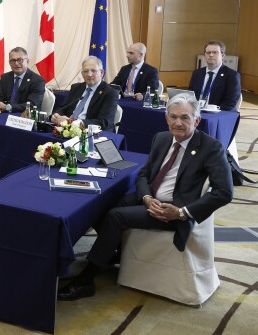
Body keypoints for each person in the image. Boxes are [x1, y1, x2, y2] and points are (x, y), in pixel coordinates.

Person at [57, 95, 233, 301]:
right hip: (151, 199)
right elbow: (144, 175)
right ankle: (114, 251)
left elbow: (224, 192)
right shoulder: (162, 138)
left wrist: (182, 213)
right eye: (173, 117)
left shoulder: (211, 147)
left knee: (116, 217)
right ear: (166, 118)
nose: (178, 122)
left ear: (197, 120)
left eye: (185, 117)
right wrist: (147, 197)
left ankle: (86, 280)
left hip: (173, 210)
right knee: (99, 204)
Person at [51, 56, 120, 131]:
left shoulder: (110, 93)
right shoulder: (76, 87)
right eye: (86, 71)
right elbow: (62, 108)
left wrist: (75, 122)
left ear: (101, 72)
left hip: (90, 132)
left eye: (93, 71)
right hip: (66, 129)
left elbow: (104, 122)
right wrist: (56, 115)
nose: (89, 74)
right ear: (82, 74)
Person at [187, 40, 241, 111]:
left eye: (215, 52)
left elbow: (231, 102)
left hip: (219, 113)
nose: (211, 55)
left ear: (223, 56)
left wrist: (213, 110)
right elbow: (190, 95)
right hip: (197, 111)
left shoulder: (232, 75)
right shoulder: (197, 73)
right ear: (204, 56)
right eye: (208, 52)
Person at [0, 47, 46, 114]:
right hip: (5, 114)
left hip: (25, 116)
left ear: (27, 61)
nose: (16, 63)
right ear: (9, 63)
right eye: (13, 60)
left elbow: (32, 105)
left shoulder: (38, 81)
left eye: (20, 60)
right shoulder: (5, 77)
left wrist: (8, 107)